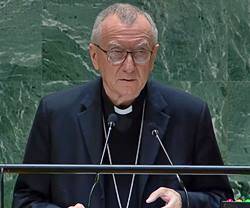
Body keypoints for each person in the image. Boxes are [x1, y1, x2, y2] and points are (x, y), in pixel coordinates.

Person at [12, 3, 233, 208]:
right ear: (95, 56)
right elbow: (25, 199)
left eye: (140, 53)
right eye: (116, 53)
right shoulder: (57, 114)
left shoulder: (190, 114)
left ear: (153, 56)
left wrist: (183, 200)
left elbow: (222, 198)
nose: (129, 66)